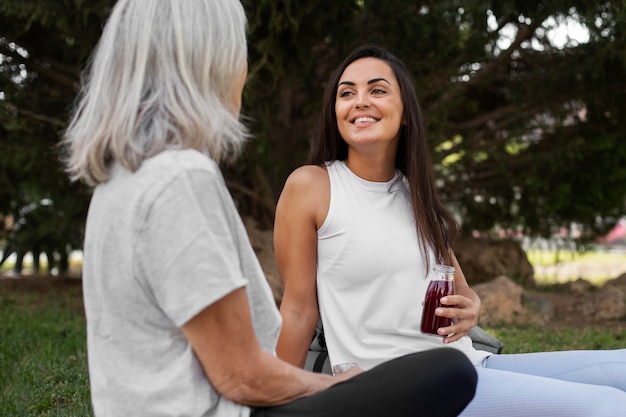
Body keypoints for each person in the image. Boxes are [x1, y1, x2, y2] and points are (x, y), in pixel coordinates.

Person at [61, 2, 478, 416]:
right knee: (449, 372)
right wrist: (334, 386)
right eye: (238, 50)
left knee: (451, 368)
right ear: (210, 61)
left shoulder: (121, 180)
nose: (243, 68)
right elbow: (242, 376)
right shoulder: (180, 179)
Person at [274, 44, 626, 417]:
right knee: (609, 406)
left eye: (377, 90)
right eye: (347, 93)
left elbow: (461, 289)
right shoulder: (312, 186)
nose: (360, 101)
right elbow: (298, 310)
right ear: (336, 112)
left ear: (406, 113)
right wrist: (276, 401)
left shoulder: (415, 193)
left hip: (463, 364)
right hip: (404, 388)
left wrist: (471, 307)